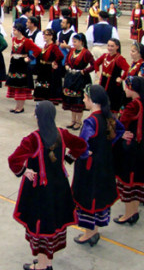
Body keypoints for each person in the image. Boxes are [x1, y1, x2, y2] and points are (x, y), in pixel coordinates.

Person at [8, 101, 87, 270]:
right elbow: (81, 145)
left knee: (42, 224)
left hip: (41, 189)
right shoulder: (62, 133)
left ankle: (43, 266)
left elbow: (13, 159)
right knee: (53, 222)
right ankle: (48, 261)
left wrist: (23, 171)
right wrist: (68, 159)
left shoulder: (33, 139)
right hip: (59, 186)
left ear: (38, 116)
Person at [72, 85, 125, 246]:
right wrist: (105, 146)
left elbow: (82, 145)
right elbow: (120, 131)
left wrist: (83, 154)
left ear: (93, 101)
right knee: (99, 194)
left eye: (85, 98)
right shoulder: (108, 116)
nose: (83, 100)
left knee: (89, 196)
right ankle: (94, 229)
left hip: (90, 168)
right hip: (105, 164)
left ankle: (90, 232)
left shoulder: (91, 121)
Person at [113, 76, 144, 225]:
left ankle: (128, 213)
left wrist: (119, 133)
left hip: (131, 148)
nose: (125, 89)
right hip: (141, 146)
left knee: (128, 181)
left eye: (127, 87)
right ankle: (134, 211)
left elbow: (120, 124)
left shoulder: (132, 106)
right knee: (137, 180)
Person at [6, 23, 41, 113]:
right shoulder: (14, 39)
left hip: (22, 65)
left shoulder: (26, 41)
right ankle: (17, 106)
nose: (13, 32)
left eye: (14, 30)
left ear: (19, 31)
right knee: (15, 85)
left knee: (21, 86)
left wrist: (30, 58)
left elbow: (38, 50)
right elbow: (12, 49)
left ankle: (20, 107)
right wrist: (11, 55)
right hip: (14, 64)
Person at [63, 33, 95, 130]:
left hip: (80, 79)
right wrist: (67, 66)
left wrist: (84, 71)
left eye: (75, 41)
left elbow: (94, 65)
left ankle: (78, 121)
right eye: (73, 41)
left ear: (81, 42)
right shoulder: (72, 50)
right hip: (70, 77)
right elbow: (67, 60)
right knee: (71, 99)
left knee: (78, 100)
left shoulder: (86, 53)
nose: (73, 43)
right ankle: (73, 120)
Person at [94, 39, 129, 114]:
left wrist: (122, 78)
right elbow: (96, 63)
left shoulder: (119, 58)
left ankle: (113, 124)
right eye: (108, 46)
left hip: (114, 86)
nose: (109, 48)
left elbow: (127, 69)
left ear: (117, 47)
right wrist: (97, 72)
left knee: (113, 107)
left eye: (112, 46)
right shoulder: (105, 56)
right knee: (103, 104)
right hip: (103, 82)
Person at [34, 29, 64, 105]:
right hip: (43, 68)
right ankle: (42, 97)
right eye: (44, 34)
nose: (44, 36)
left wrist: (55, 62)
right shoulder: (45, 46)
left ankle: (48, 98)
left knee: (48, 84)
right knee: (42, 84)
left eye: (47, 35)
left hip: (49, 68)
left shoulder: (53, 47)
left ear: (51, 36)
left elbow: (60, 56)